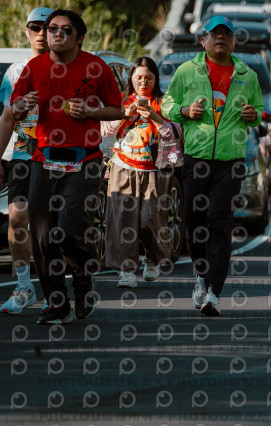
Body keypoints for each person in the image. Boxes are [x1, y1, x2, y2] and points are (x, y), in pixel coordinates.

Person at [11, 9, 124, 324]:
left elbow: (118, 110)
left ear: (79, 37)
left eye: (65, 30)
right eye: (52, 29)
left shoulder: (95, 66)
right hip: (43, 159)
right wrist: (21, 107)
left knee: (70, 229)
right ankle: (57, 304)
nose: (56, 34)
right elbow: (15, 111)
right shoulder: (34, 67)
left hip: (84, 159)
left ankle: (83, 277)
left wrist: (90, 111)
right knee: (42, 235)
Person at [162, 16, 263, 317]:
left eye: (226, 34)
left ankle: (214, 292)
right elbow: (166, 105)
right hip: (197, 158)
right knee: (195, 221)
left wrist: (252, 115)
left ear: (234, 41)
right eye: (214, 33)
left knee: (219, 222)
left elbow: (259, 111)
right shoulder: (187, 71)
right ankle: (200, 273)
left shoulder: (248, 75)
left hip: (230, 161)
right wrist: (185, 110)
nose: (220, 38)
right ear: (203, 40)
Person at [101, 57, 177, 288]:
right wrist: (125, 114)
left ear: (156, 79)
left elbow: (174, 134)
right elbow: (105, 129)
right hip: (123, 167)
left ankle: (152, 259)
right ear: (131, 79)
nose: (143, 82)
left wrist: (154, 117)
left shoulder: (164, 102)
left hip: (154, 170)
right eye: (139, 78)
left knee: (149, 219)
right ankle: (126, 270)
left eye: (149, 78)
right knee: (122, 221)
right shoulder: (121, 101)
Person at [0, 7, 53, 315]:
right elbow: (7, 118)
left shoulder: (69, 68)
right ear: (26, 32)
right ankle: (24, 286)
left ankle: (58, 289)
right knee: (17, 218)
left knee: (52, 225)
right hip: (22, 155)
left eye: (48, 27)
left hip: (57, 156)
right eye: (35, 27)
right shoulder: (15, 71)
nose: (42, 33)